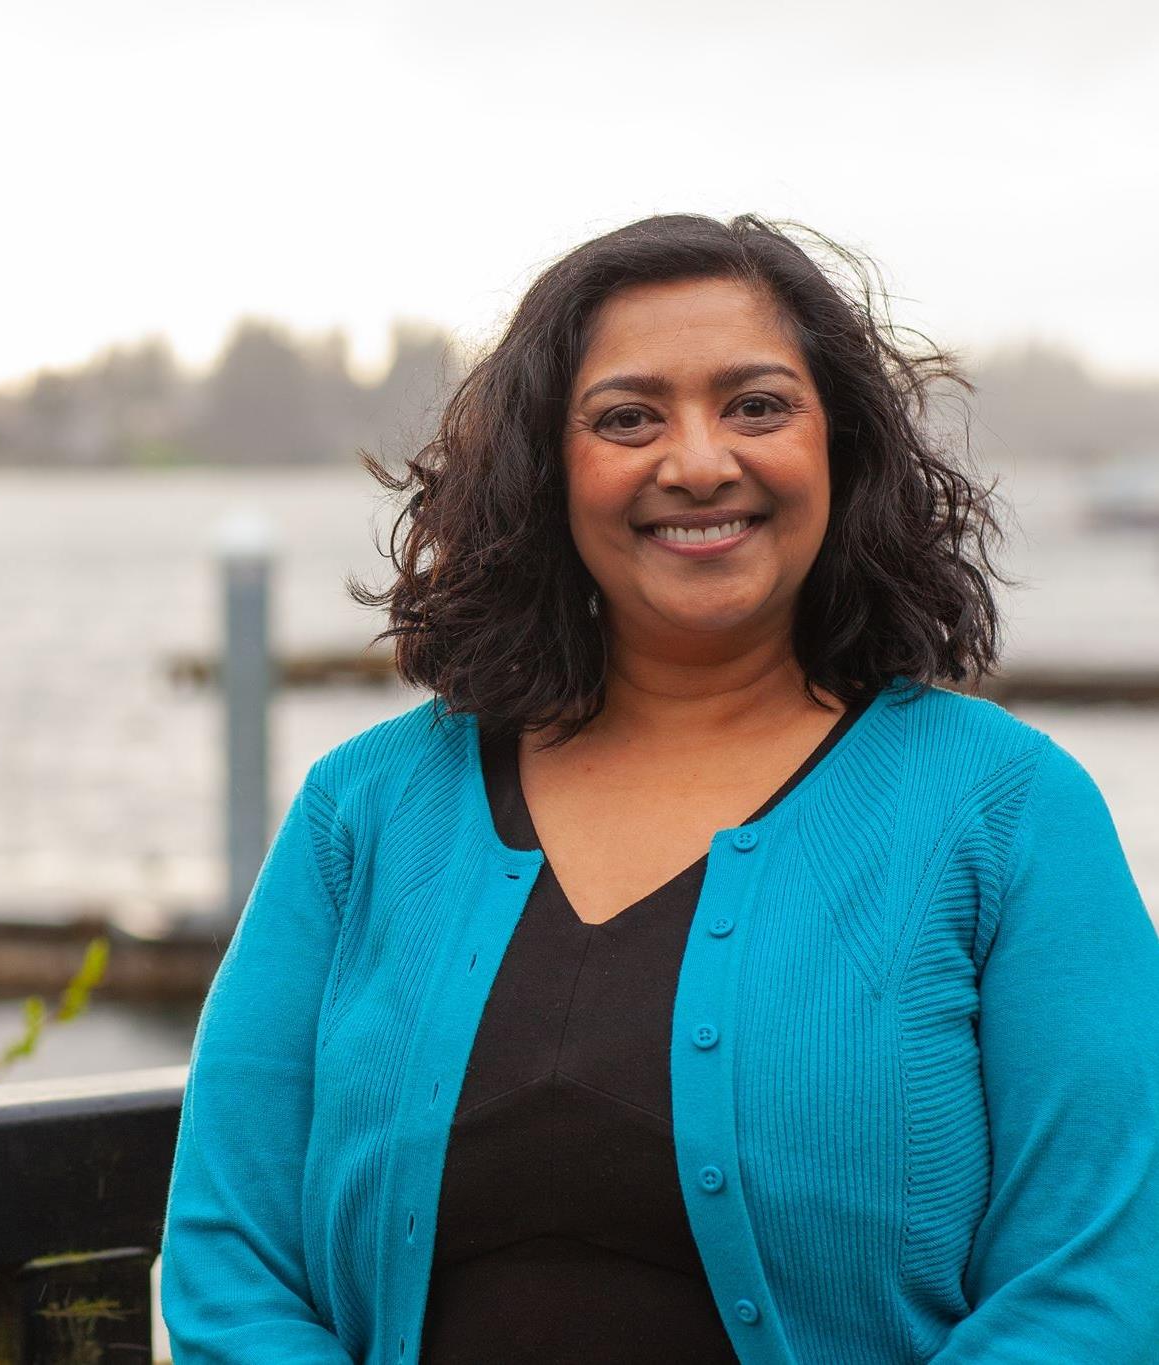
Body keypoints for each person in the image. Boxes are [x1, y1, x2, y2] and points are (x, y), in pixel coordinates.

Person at [159, 213, 1159, 1364]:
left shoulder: (1007, 811)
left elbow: (1092, 1291)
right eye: (627, 418)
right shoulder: (365, 812)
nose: (696, 461)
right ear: (548, 469)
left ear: (841, 445)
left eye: (756, 405)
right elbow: (232, 1265)